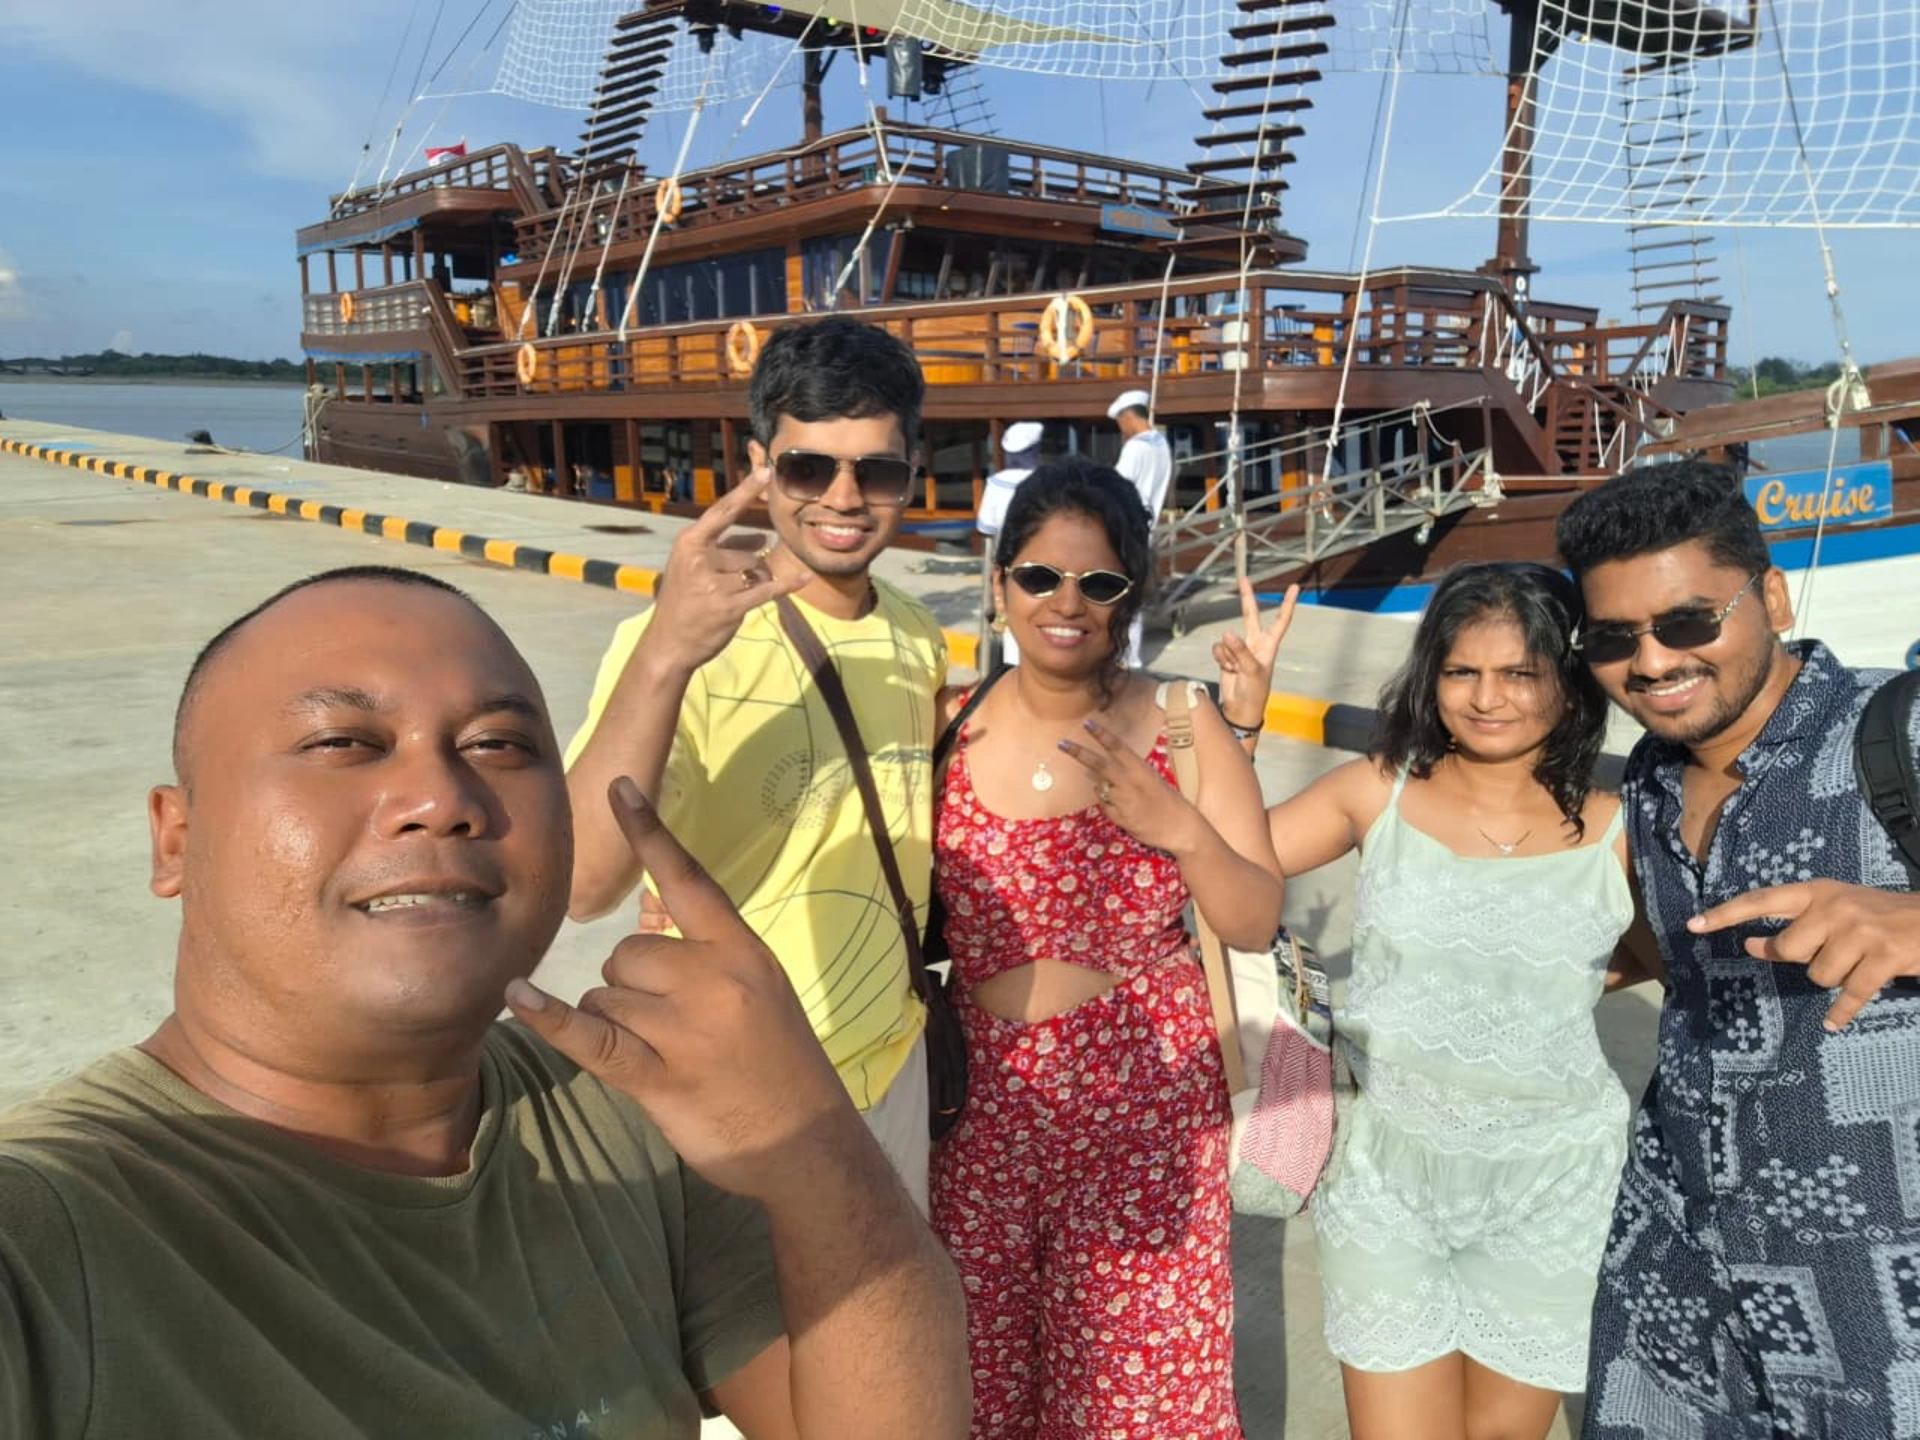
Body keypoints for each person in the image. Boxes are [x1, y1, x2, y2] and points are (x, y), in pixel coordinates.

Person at [0, 565, 970, 1440]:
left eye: (497, 744)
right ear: (175, 837)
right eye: (342, 742)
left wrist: (816, 1146)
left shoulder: (619, 1112)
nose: (441, 797)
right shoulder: (53, 1233)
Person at [1235, 561, 1644, 1440]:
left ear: (1569, 683)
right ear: (1431, 676)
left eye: (1519, 673)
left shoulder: (1619, 830)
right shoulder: (1372, 793)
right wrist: (1242, 723)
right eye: (1463, 671)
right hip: (1385, 1178)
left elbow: (1657, 954)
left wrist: (1540, 978)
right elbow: (1230, 874)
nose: (1487, 698)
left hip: (1554, 1184)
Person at [1555, 462, 1920, 1439]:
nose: (1651, 662)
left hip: (1883, 1305)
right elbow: (1670, 962)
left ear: (1774, 598)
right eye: (1613, 638)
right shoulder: (1648, 776)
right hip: (1675, 1281)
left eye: (1687, 622)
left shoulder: (1899, 729)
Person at [929, 460, 1284, 1439]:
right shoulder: (947, 724)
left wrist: (1180, 828)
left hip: (1146, 1126)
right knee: (982, 1386)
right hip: (982, 1123)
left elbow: (1254, 916)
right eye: (1041, 576)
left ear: (1134, 593)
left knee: (1137, 1401)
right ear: (1001, 582)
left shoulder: (1184, 722)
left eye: (1099, 581)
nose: (1067, 602)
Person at [565, 316, 947, 1209]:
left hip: (891, 1059)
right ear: (760, 466)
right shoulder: (685, 642)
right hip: (739, 1079)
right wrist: (665, 654)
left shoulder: (917, 634)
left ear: (911, 474)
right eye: (809, 468)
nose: (844, 498)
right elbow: (583, 884)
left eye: (876, 471)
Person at [1108, 389, 1174, 667]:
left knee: (1119, 597)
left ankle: (1125, 658)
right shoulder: (1161, 443)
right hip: (1146, 529)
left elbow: (1114, 487)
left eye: (1120, 423)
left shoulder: (1135, 448)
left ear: (1127, 416)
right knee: (1132, 597)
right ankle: (1129, 657)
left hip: (1125, 530)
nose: (1121, 430)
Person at [976, 419, 1044, 667]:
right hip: (1045, 564)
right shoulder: (1048, 482)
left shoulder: (996, 483)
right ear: (1036, 450)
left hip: (1010, 564)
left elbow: (985, 528)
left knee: (1013, 620)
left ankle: (1013, 673)